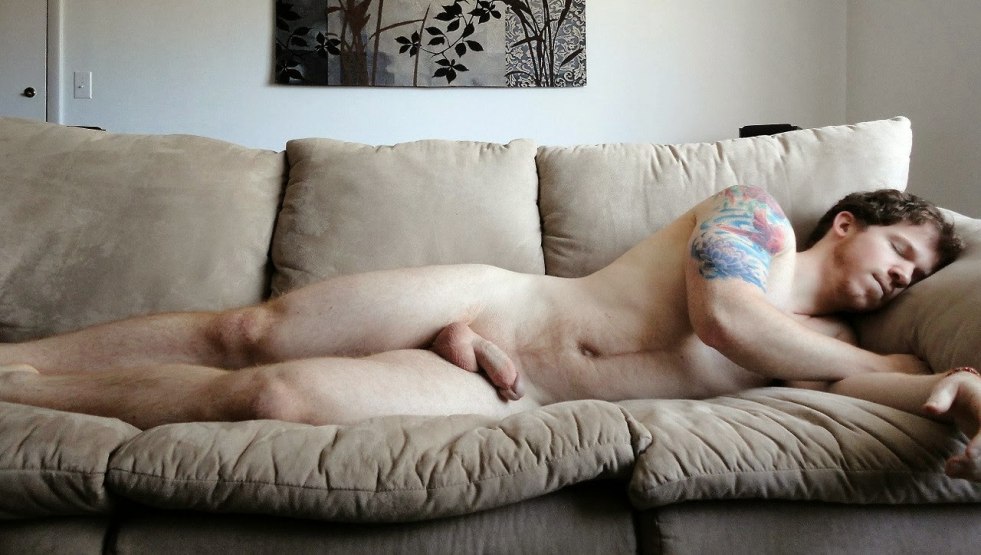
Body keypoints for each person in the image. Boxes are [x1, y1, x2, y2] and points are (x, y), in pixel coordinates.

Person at [1, 186, 978, 480]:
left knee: (272, 396)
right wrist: (874, 360)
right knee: (253, 332)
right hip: (499, 305)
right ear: (845, 223)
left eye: (920, 275)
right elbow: (725, 319)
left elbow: (875, 389)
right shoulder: (755, 219)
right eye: (902, 249)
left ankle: (24, 394)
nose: (905, 275)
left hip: (509, 390)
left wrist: (952, 390)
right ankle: (15, 357)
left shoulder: (835, 349)